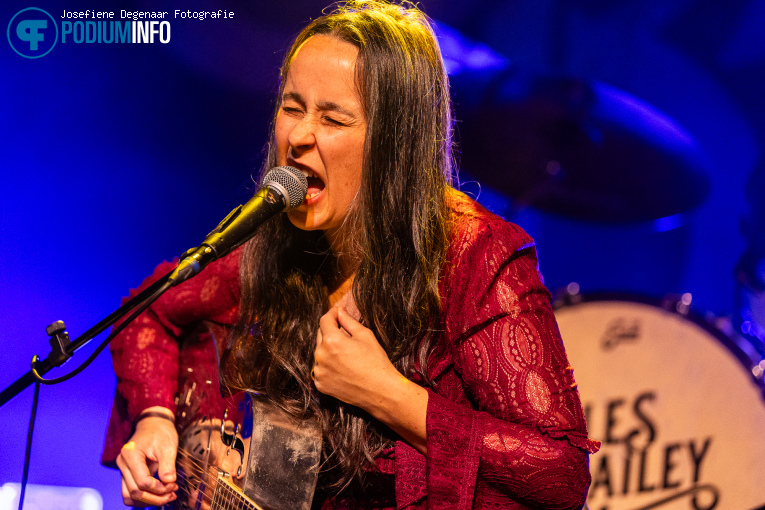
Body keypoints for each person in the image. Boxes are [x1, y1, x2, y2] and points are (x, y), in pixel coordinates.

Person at [102, 1, 599, 508]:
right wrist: (155, 421)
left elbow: (560, 476)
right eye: (292, 108)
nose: (297, 137)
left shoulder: (476, 257)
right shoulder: (281, 243)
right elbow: (146, 314)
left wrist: (387, 393)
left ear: (394, 143)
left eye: (333, 118)